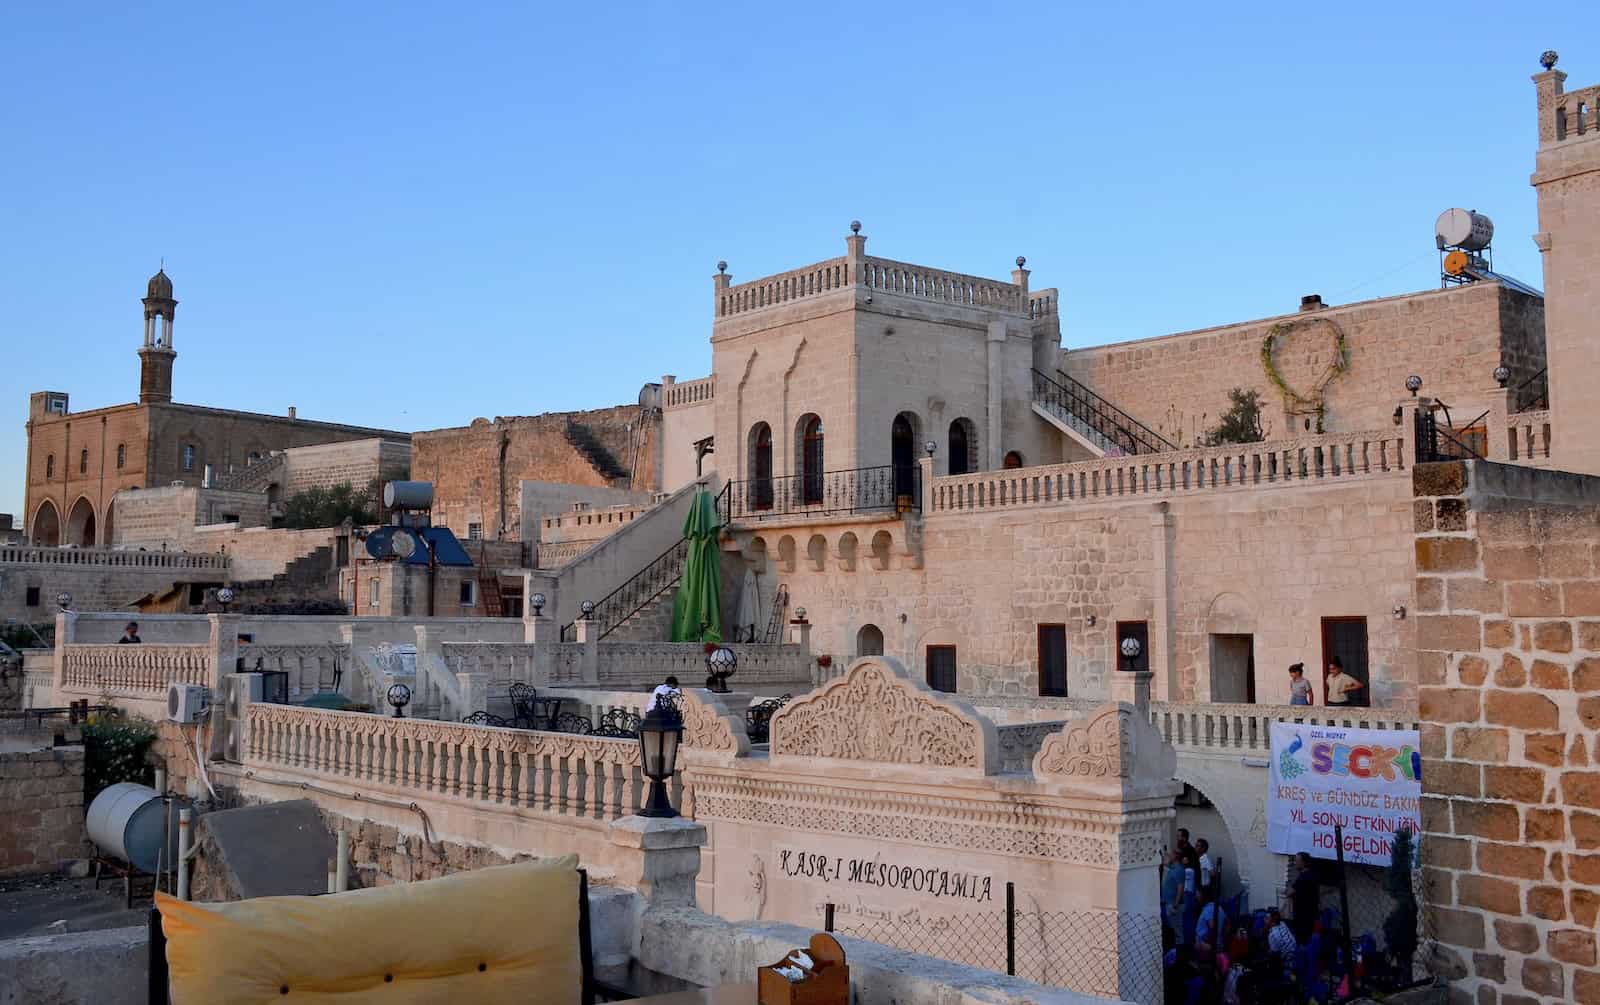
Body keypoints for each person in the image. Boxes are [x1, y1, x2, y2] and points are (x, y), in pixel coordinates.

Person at [1291, 852, 1320, 942]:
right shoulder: (1310, 875)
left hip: (1303, 917)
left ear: (1304, 862)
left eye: (1297, 860)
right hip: (1309, 916)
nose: (1294, 862)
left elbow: (1290, 891)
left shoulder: (1304, 878)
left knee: (1303, 941)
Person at [1162, 849, 1188, 944]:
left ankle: (1180, 953)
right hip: (1170, 903)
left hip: (1174, 905)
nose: (1170, 855)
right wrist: (1165, 855)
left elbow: (1180, 887)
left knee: (1177, 930)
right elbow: (1165, 863)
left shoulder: (1179, 870)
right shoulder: (1173, 867)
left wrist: (1176, 904)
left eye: (1172, 854)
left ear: (1176, 856)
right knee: (1174, 929)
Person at [1266, 907, 1298, 978]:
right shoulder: (1283, 924)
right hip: (1297, 953)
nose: (1265, 920)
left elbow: (1275, 953)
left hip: (1289, 961)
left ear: (1272, 921)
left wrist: (1269, 952)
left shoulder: (1272, 935)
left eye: (1267, 918)